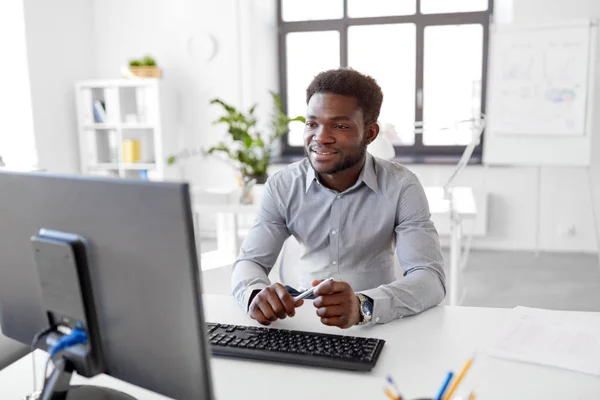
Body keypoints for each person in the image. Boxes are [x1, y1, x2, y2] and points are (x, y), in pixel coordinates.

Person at [231, 68, 445, 328]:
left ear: (370, 133)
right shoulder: (283, 185)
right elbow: (251, 261)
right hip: (303, 317)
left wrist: (364, 305)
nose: (320, 137)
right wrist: (255, 293)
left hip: (377, 318)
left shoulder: (402, 186)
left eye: (340, 125)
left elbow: (430, 278)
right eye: (312, 123)